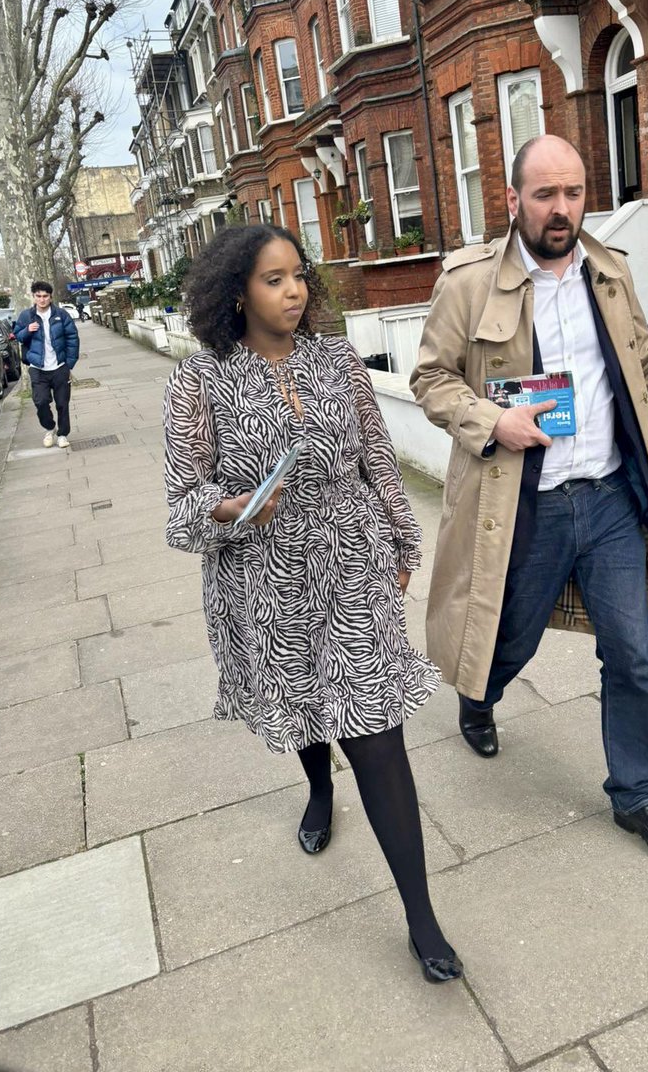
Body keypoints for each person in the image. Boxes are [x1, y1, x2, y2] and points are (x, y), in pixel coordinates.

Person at [410, 135, 648, 874]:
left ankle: (637, 796)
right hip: (527, 501)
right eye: (546, 195)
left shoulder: (609, 271)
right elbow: (431, 379)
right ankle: (481, 695)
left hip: (613, 498)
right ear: (515, 200)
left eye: (574, 192)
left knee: (632, 654)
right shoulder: (466, 284)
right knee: (507, 637)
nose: (562, 209)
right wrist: (494, 421)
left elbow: (647, 361)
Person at [163, 224, 462, 983]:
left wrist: (402, 542)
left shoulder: (336, 359)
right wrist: (230, 509)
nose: (294, 291)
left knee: (377, 733)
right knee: (302, 709)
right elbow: (179, 507)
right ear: (236, 292)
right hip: (264, 577)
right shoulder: (199, 381)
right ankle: (318, 787)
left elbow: (377, 458)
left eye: (299, 276)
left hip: (352, 564)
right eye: (273, 279)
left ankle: (420, 917)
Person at [14, 280, 80, 449]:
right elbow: (18, 337)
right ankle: (50, 428)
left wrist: (69, 363)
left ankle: (63, 434)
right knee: (41, 401)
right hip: (37, 367)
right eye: (38, 296)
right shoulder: (26, 316)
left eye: (45, 296)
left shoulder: (61, 315)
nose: (42, 299)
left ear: (50, 297)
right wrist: (28, 330)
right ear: (34, 297)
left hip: (59, 366)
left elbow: (72, 338)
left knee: (62, 403)